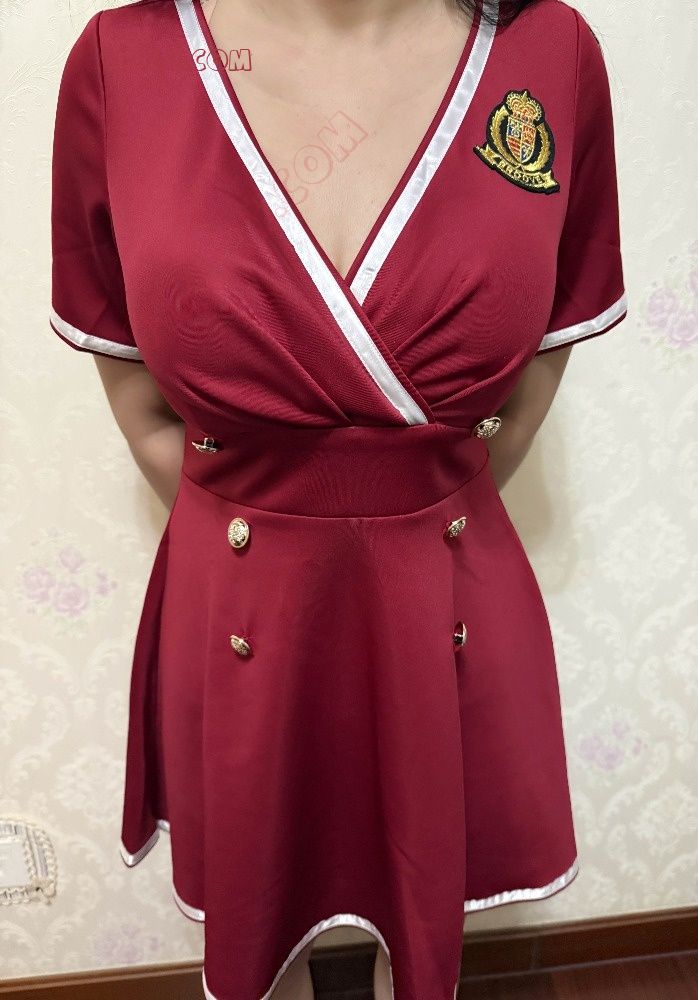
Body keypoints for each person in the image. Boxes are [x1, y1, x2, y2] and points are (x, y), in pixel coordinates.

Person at [49, 0, 627, 996]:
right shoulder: (123, 59)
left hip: (449, 590)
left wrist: (406, 513)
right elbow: (142, 406)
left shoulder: (550, 51)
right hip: (239, 604)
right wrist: (279, 519)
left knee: (422, 905)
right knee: (265, 916)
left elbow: (531, 380)